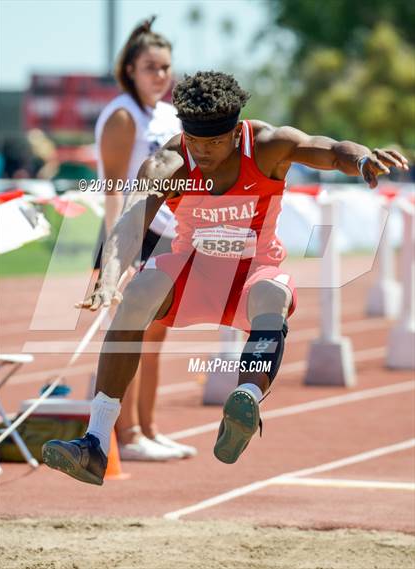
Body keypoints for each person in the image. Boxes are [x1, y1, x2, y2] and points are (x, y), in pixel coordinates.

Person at [42, 71, 409, 485]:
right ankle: (94, 443)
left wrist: (361, 158)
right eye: (195, 141)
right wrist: (109, 276)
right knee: (137, 292)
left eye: (214, 143)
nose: (202, 152)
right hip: (189, 274)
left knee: (273, 294)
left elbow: (328, 149)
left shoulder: (269, 146)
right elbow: (130, 223)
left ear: (236, 132)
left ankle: (245, 402)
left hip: (252, 274)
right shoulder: (169, 161)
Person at [93, 17, 196, 461]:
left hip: (168, 235)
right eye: (151, 67)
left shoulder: (170, 115)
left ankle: (150, 429)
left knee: (156, 338)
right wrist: (122, 251)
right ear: (130, 69)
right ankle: (128, 435)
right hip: (133, 233)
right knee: (130, 338)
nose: (160, 75)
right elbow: (113, 189)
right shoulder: (122, 115)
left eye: (166, 67)